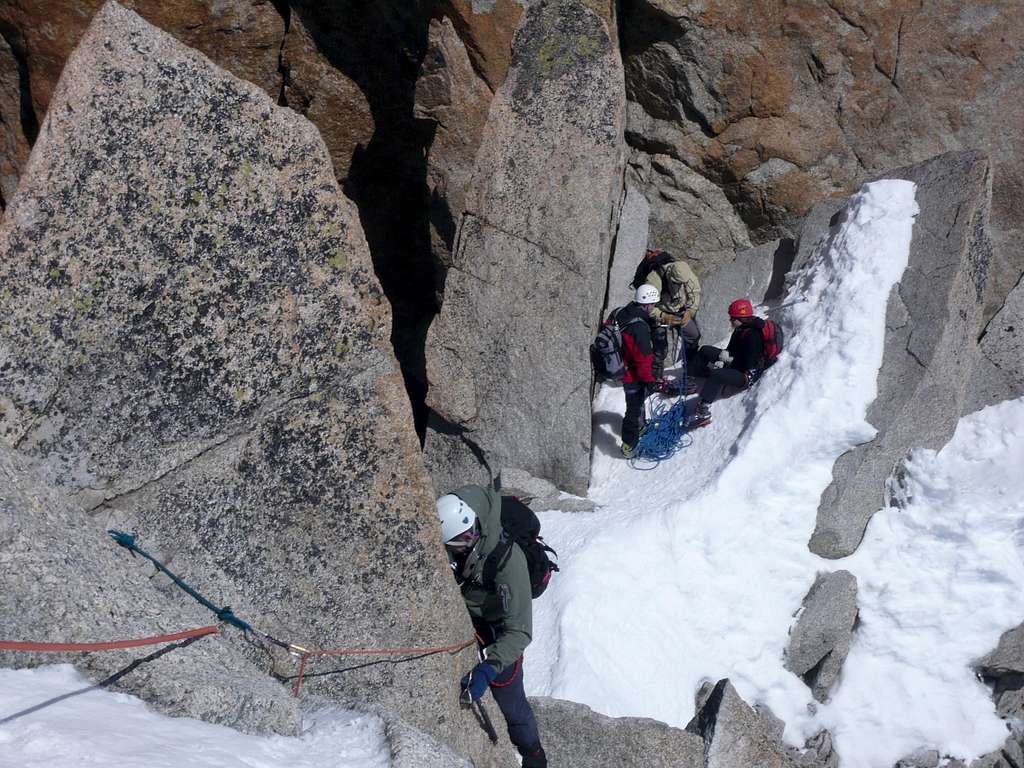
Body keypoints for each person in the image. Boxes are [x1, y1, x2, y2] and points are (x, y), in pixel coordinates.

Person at [436, 487, 548, 768]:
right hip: (471, 605)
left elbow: (519, 631)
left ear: (470, 534)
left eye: (455, 547)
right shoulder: (457, 506)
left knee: (509, 696)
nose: (452, 554)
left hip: (499, 624)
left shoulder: (508, 562)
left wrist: (490, 666)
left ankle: (533, 753)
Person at [691, 298, 765, 427]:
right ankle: (692, 378)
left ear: (742, 318)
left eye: (733, 318)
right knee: (705, 350)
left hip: (746, 374)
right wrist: (724, 355)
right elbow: (732, 348)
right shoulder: (740, 329)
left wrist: (727, 362)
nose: (730, 320)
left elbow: (748, 364)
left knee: (717, 375)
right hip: (736, 362)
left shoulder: (753, 336)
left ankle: (703, 408)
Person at [610, 283, 659, 458]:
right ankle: (628, 445)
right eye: (653, 304)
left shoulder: (620, 312)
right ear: (647, 304)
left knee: (636, 403)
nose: (653, 308)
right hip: (631, 373)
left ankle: (641, 425)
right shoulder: (640, 328)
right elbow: (643, 359)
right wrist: (650, 381)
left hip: (620, 364)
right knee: (633, 407)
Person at [640, 249, 702, 379]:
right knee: (660, 348)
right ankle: (654, 379)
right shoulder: (653, 279)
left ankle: (690, 367)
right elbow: (647, 307)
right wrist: (664, 316)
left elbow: (695, 291)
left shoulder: (684, 272)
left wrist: (690, 311)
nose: (679, 286)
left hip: (680, 311)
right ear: (669, 274)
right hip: (661, 312)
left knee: (693, 336)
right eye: (676, 283)